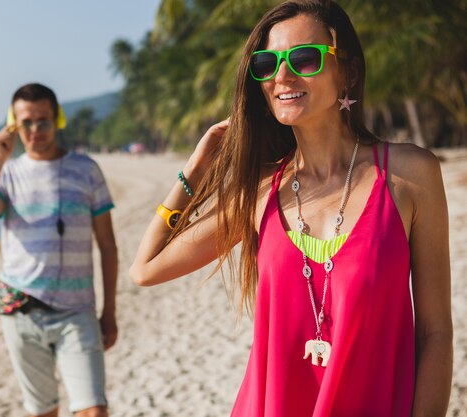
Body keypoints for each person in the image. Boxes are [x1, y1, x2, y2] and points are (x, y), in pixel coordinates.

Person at [129, 1, 453, 416]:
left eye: (303, 58)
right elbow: (146, 267)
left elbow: (436, 332)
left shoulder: (410, 175)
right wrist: (195, 171)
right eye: (266, 63)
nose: (282, 75)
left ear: (348, 71)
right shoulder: (260, 192)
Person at [0, 83, 118, 417]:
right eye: (26, 123)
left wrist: (110, 311)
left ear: (57, 119)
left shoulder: (86, 170)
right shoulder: (8, 174)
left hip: (77, 312)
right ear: (13, 125)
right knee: (43, 411)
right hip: (21, 311)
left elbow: (107, 244)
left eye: (43, 121)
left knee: (93, 409)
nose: (35, 131)